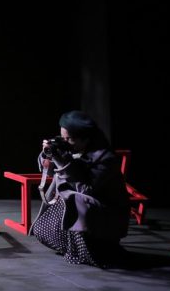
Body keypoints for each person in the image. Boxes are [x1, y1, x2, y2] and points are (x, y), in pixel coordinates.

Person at [31, 110, 130, 267]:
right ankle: (74, 246)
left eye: (69, 139)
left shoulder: (105, 158)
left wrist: (63, 163)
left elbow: (86, 190)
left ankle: (93, 250)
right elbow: (50, 172)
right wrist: (48, 155)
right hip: (80, 208)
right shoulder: (73, 149)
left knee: (75, 200)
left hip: (104, 214)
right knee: (42, 229)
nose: (64, 142)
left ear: (86, 139)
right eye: (62, 138)